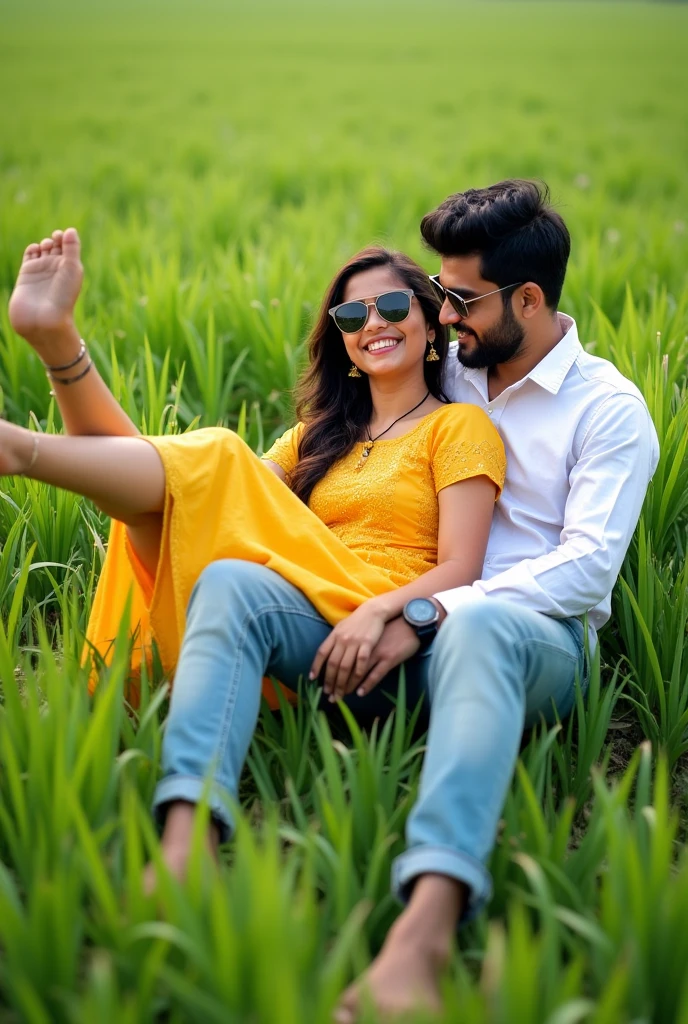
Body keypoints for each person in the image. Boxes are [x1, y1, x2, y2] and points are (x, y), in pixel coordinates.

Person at [3, 229, 505, 879]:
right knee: (200, 505)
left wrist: (379, 612)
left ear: (430, 325)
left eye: (392, 307)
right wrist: (60, 347)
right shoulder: (314, 439)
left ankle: (25, 451)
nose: (372, 323)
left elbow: (461, 569)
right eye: (352, 315)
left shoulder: (457, 426)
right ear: (342, 340)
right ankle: (187, 843)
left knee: (218, 456)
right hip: (307, 610)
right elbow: (170, 497)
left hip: (387, 631)